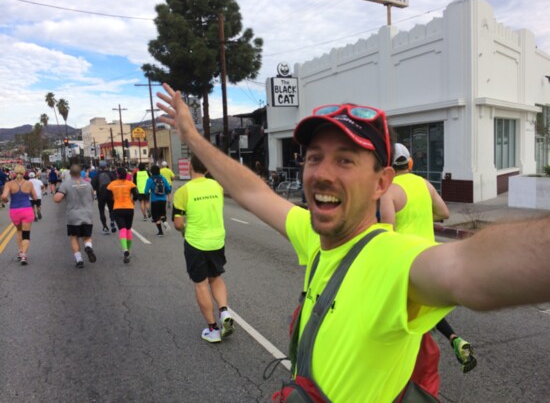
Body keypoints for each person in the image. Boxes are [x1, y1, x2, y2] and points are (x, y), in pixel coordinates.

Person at [157, 85, 550, 401]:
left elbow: (471, 269)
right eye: (314, 158)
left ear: (382, 183)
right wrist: (192, 137)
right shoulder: (315, 235)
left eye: (345, 160)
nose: (322, 173)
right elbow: (254, 194)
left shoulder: (393, 258)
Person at [379, 143, 475, 396]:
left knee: (404, 322)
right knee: (424, 311)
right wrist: (423, 216)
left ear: (388, 167)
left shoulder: (388, 192)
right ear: (409, 163)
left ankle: (402, 380)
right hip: (429, 261)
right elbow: (443, 212)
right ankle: (454, 338)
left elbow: (386, 232)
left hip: (404, 264)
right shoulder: (425, 184)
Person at [172, 154, 235, 343]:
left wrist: (184, 229)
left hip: (196, 242)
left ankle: (213, 329)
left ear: (190, 167)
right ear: (207, 169)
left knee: (201, 284)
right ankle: (224, 312)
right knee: (216, 277)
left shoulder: (183, 191)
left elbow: (177, 223)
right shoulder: (217, 187)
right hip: (217, 240)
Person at [53, 165, 97, 269]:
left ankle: (79, 260)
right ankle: (88, 247)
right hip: (87, 214)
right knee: (87, 236)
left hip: (73, 215)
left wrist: (57, 193)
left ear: (70, 173)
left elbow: (57, 199)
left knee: (74, 237)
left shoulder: (66, 185)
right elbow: (93, 197)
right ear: (80, 173)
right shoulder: (88, 184)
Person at [1, 164, 37, 265]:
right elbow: (35, 197)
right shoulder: (29, 184)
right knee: (26, 233)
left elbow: (4, 196)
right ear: (24, 172)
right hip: (27, 210)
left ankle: (20, 251)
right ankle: (24, 256)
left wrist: (7, 200)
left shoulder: (9, 184)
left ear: (14, 172)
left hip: (15, 211)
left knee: (19, 231)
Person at [107, 167, 138, 264]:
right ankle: (128, 250)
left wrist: (113, 200)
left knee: (122, 229)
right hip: (129, 209)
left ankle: (124, 249)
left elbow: (107, 196)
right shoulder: (130, 184)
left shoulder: (112, 184)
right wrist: (132, 201)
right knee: (128, 229)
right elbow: (136, 195)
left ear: (117, 174)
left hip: (118, 209)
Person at [145, 164, 171, 237]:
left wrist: (151, 191)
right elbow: (168, 189)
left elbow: (146, 191)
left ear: (151, 172)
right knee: (162, 214)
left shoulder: (150, 180)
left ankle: (160, 232)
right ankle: (165, 222)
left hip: (154, 200)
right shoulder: (163, 179)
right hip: (163, 200)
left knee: (156, 216)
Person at [91, 161, 117, 235]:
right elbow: (115, 183)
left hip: (101, 195)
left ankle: (105, 227)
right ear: (106, 166)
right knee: (111, 209)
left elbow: (92, 186)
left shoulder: (96, 175)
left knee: (101, 211)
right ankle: (112, 221)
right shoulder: (111, 174)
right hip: (110, 195)